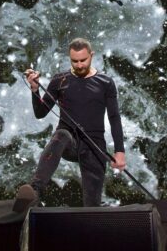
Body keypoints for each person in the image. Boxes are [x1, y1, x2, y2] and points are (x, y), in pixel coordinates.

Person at [14, 38, 126, 210]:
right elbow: (40, 113)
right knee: (62, 134)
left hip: (94, 146)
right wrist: (35, 90)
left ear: (91, 55)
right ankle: (35, 191)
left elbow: (114, 117)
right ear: (69, 58)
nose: (80, 65)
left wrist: (119, 152)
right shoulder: (60, 80)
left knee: (92, 206)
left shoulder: (106, 83)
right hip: (69, 142)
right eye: (75, 61)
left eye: (83, 60)